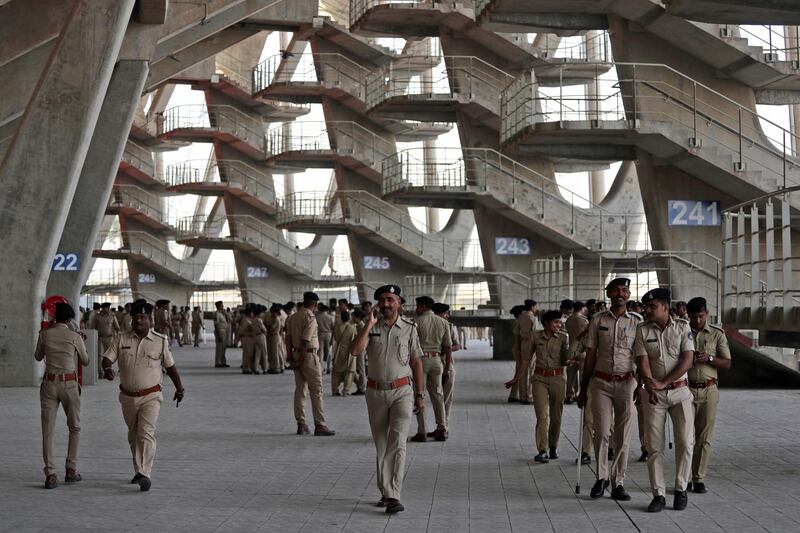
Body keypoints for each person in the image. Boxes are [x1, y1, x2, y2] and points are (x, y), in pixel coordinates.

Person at [349, 284, 425, 514]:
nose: (385, 304)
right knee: (382, 444)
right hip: (375, 392)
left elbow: (416, 362)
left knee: (398, 442)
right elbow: (354, 351)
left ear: (399, 302)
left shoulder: (410, 327)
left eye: (390, 299)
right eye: (382, 300)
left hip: (403, 391)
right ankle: (385, 490)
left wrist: (420, 395)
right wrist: (368, 324)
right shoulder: (369, 327)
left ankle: (393, 495)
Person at [101, 301, 184, 492]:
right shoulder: (121, 340)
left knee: (146, 433)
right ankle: (138, 470)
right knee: (134, 435)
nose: (139, 320)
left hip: (151, 396)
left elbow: (171, 368)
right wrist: (107, 368)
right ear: (131, 318)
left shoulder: (160, 340)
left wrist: (180, 389)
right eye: (136, 317)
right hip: (128, 397)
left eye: (143, 317)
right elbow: (108, 358)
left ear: (150, 319)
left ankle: (145, 473)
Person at [577, 279, 642, 501]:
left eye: (624, 290)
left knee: (623, 436)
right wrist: (582, 388)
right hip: (601, 383)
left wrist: (641, 384)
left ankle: (618, 482)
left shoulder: (637, 323)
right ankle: (601, 478)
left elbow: (642, 358)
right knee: (602, 432)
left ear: (629, 293)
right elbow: (590, 356)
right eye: (615, 290)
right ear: (609, 294)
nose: (620, 294)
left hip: (627, 383)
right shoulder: (597, 320)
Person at [634, 288, 695, 512]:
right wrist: (651, 384)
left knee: (686, 443)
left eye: (652, 307)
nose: (647, 310)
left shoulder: (682, 327)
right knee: (654, 447)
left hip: (680, 392)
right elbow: (642, 360)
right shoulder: (642, 329)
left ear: (665, 308)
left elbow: (687, 360)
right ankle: (658, 495)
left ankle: (680, 488)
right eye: (646, 307)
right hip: (654, 395)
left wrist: (664, 381)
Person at [34, 303, 90, 489]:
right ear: (69, 319)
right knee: (74, 427)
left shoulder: (44, 335)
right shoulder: (74, 336)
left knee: (48, 430)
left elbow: (38, 356)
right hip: (69, 385)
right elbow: (86, 361)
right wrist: (80, 342)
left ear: (54, 317)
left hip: (49, 384)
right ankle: (71, 469)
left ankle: (50, 474)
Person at [686, 296, 731, 494]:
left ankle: (699, 478)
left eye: (700, 316)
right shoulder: (682, 332)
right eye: (693, 317)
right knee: (685, 438)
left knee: (704, 438)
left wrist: (709, 358)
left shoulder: (717, 334)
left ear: (707, 314)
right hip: (685, 389)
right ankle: (684, 478)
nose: (697, 321)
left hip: (709, 389)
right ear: (688, 315)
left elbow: (727, 363)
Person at [285, 292, 335, 436]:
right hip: (308, 356)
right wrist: (301, 359)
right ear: (315, 304)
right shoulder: (311, 318)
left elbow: (287, 338)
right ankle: (320, 425)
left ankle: (301, 424)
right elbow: (305, 340)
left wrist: (290, 358)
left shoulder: (293, 317)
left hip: (295, 354)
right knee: (316, 390)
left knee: (300, 390)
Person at [410, 296, 452, 442]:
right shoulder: (443, 322)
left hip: (421, 361)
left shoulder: (416, 322)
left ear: (422, 306)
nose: (416, 308)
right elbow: (447, 347)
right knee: (438, 395)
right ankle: (442, 429)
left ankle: (422, 431)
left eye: (417, 306)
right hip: (437, 360)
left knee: (419, 395)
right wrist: (446, 368)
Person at [530, 310, 569, 463]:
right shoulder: (535, 336)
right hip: (539, 378)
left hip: (558, 379)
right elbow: (527, 359)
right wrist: (516, 378)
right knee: (542, 416)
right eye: (555, 322)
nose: (558, 325)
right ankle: (542, 450)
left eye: (560, 323)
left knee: (556, 416)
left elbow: (566, 358)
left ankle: (553, 446)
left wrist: (573, 358)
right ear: (546, 322)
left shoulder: (564, 337)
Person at [433, 303, 459, 434]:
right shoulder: (429, 326)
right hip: (433, 364)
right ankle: (440, 425)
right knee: (437, 396)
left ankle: (445, 425)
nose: (447, 316)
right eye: (445, 313)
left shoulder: (450, 326)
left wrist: (445, 349)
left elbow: (456, 345)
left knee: (447, 397)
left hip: (446, 363)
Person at [563, 301, 587, 404]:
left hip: (571, 349)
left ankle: (569, 395)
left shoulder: (568, 320)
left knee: (570, 375)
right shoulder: (584, 321)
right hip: (582, 350)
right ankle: (580, 394)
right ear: (582, 308)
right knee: (582, 374)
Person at [90, 302, 120, 377]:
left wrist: (117, 337)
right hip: (100, 338)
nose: (107, 309)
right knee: (100, 355)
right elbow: (93, 327)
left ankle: (108, 371)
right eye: (106, 307)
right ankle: (101, 372)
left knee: (109, 355)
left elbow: (117, 327)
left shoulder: (112, 316)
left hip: (110, 338)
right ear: (102, 308)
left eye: (108, 307)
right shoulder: (97, 317)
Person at [516, 299, 538, 404]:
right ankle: (529, 396)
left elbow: (516, 332)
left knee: (522, 370)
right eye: (535, 306)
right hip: (531, 344)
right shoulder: (532, 318)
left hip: (522, 343)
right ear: (532, 306)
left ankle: (522, 396)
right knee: (531, 370)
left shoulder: (520, 317)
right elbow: (535, 333)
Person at [331, 310, 357, 395]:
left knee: (336, 372)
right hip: (349, 351)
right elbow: (355, 339)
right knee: (349, 372)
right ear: (349, 318)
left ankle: (335, 390)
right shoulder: (353, 327)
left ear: (341, 318)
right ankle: (346, 391)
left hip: (338, 351)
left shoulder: (336, 327)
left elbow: (334, 338)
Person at [506, 305, 524, 403]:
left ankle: (515, 394)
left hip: (517, 348)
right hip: (519, 348)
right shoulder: (519, 322)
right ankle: (514, 395)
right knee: (520, 371)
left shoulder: (517, 321)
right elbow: (518, 337)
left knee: (519, 371)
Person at [316, 304, 335, 374]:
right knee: (328, 352)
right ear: (327, 310)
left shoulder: (317, 317)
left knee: (320, 352)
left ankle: (321, 369)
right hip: (328, 334)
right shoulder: (330, 317)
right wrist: (333, 338)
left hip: (319, 334)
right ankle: (328, 367)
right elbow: (333, 328)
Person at [265, 304, 283, 373]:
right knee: (272, 352)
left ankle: (276, 368)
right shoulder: (273, 318)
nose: (271, 314)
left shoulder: (276, 319)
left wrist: (266, 327)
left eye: (272, 312)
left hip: (274, 336)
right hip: (272, 336)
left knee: (274, 353)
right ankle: (274, 366)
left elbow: (271, 328)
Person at [213, 301, 229, 368]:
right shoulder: (216, 314)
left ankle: (223, 362)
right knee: (219, 347)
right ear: (218, 306)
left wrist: (226, 314)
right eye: (222, 305)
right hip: (220, 331)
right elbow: (216, 324)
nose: (223, 306)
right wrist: (218, 333)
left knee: (223, 348)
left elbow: (230, 320)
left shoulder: (222, 314)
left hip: (224, 331)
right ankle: (218, 362)